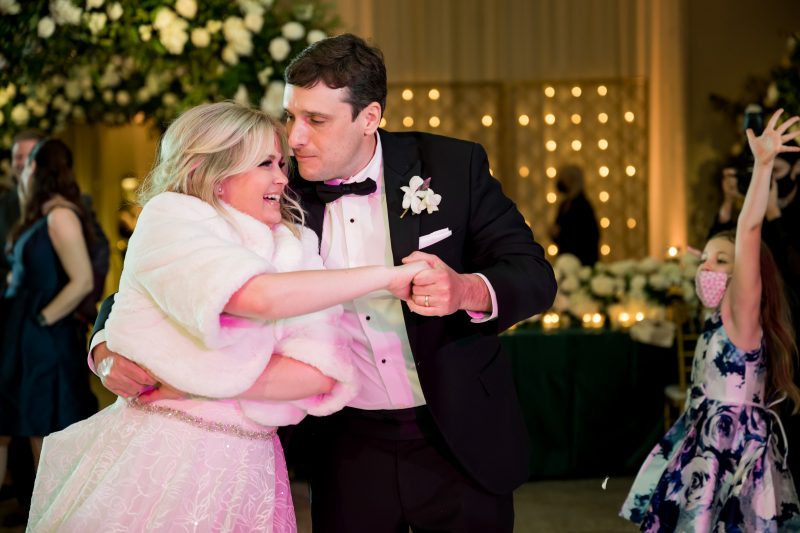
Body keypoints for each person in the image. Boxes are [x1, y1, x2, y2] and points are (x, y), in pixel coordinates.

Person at [90, 34, 557, 532]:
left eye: (316, 120)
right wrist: (102, 348)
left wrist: (464, 290)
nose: (294, 138)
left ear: (369, 118)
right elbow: (166, 276)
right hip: (345, 443)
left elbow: (531, 273)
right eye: (292, 115)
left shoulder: (450, 166)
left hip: (456, 432)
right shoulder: (270, 186)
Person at [27, 101, 426, 531]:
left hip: (250, 467)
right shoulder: (170, 217)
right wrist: (387, 278)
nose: (281, 176)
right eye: (265, 164)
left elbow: (321, 375)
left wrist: (187, 381)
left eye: (280, 163)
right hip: (166, 453)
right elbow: (253, 298)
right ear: (210, 173)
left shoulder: (297, 245)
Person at [620, 109, 800, 531]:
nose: (708, 268)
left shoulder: (742, 315)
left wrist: (763, 166)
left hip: (734, 451)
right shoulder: (716, 317)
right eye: (704, 260)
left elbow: (750, 227)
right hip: (702, 442)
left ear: (745, 274)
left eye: (721, 260)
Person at [0, 138, 99, 504]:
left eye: (28, 165)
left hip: (43, 338)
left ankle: (53, 517)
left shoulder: (61, 215)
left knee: (45, 430)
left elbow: (83, 280)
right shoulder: (39, 213)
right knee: (20, 426)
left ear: (40, 171)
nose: (22, 170)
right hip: (22, 333)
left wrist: (42, 319)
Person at [549, 164, 599, 266]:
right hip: (565, 259)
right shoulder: (563, 205)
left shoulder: (584, 206)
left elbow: (590, 235)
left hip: (581, 260)